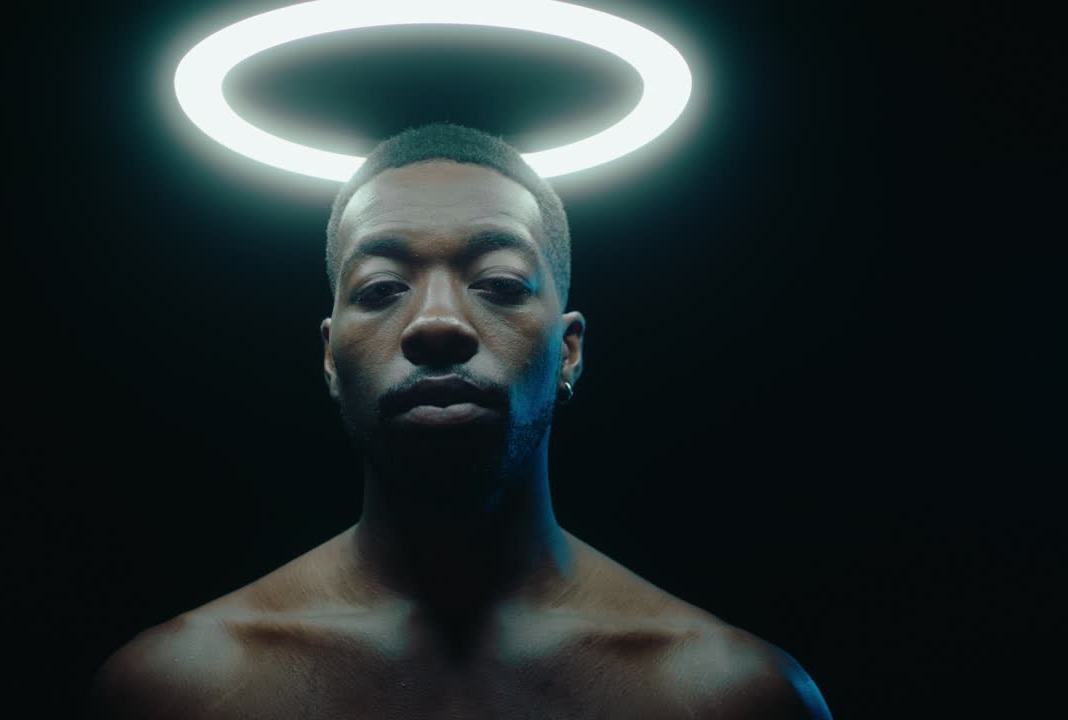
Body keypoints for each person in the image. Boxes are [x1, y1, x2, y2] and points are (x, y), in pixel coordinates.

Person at [86, 123, 832, 719]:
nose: (437, 323)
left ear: (568, 350)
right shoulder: (177, 691)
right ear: (328, 357)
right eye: (380, 289)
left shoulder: (725, 695)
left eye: (500, 283)